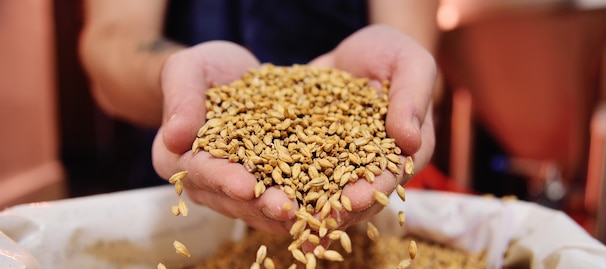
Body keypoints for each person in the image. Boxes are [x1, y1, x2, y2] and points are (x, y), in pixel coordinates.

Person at [78, 0, 440, 234]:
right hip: (178, 189)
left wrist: (403, 87)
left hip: (364, 215)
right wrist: (178, 79)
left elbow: (416, 60)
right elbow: (112, 41)